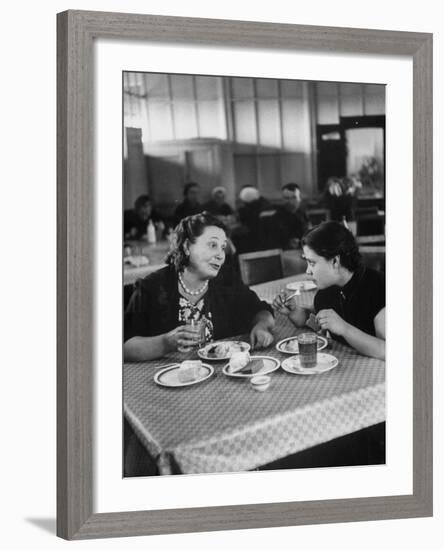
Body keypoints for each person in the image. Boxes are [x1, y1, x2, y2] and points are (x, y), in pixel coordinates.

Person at [124, 212, 275, 361]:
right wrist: (165, 343)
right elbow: (126, 348)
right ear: (186, 246)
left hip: (219, 376)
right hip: (169, 376)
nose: (220, 255)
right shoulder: (151, 287)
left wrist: (261, 327)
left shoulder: (227, 280)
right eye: (212, 245)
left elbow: (262, 310)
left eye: (222, 247)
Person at [273, 221, 385, 359]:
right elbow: (316, 320)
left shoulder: (379, 287)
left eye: (312, 263)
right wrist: (296, 312)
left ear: (335, 261)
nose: (308, 271)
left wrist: (344, 329)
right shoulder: (326, 292)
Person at [271, 182, 309, 249]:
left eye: (294, 197)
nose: (290, 201)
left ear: (300, 199)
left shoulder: (303, 214)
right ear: (282, 199)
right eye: (286, 198)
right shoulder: (276, 218)